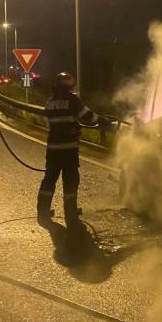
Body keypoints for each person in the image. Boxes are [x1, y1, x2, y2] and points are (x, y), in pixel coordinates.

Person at [37, 72, 113, 229]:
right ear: (69, 86)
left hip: (53, 148)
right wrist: (103, 120)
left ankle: (42, 211)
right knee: (70, 180)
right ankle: (70, 213)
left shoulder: (50, 102)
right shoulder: (72, 100)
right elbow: (88, 117)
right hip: (68, 149)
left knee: (49, 179)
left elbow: (57, 119)